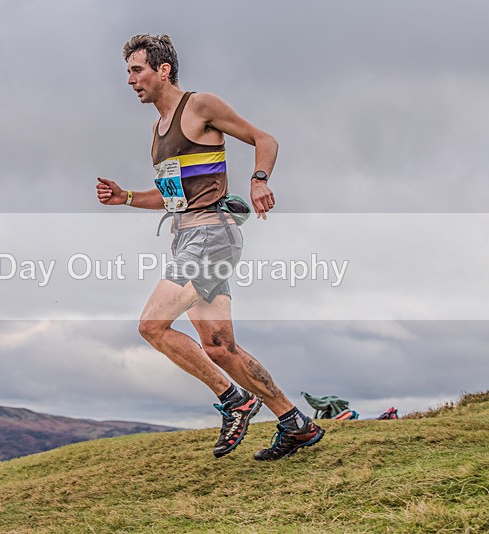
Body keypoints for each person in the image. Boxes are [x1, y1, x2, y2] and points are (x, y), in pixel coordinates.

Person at [96, 34, 324, 460]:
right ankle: (295, 423)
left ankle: (234, 400)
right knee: (219, 346)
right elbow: (173, 197)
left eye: (137, 70)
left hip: (210, 236)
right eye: (128, 72)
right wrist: (125, 197)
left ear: (163, 70)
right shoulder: (157, 130)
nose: (130, 80)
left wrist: (259, 181)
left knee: (151, 325)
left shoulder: (200, 106)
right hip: (188, 236)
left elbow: (265, 139)